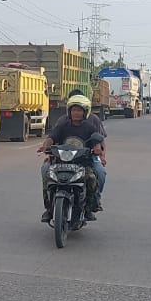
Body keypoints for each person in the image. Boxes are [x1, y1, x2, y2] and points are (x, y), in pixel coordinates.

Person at [37, 94, 107, 222]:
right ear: (69, 111)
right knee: (46, 172)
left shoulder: (90, 127)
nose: (76, 113)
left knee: (91, 178)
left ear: (85, 112)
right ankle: (49, 209)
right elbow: (51, 137)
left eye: (79, 110)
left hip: (82, 163)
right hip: (61, 162)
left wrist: (98, 149)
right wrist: (45, 146)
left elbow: (96, 141)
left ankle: (89, 208)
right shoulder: (62, 125)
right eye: (74, 110)